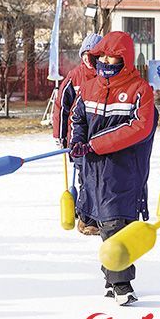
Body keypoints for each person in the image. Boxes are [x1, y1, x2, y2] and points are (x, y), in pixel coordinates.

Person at [69, 31, 157, 306]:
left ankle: (121, 284)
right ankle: (112, 277)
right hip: (92, 170)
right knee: (105, 223)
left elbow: (139, 128)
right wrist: (77, 141)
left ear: (125, 59)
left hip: (122, 170)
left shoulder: (140, 90)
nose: (106, 61)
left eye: (113, 57)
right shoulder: (89, 87)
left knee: (116, 224)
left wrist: (96, 144)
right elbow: (78, 118)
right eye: (102, 56)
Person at [52, 33, 102, 236]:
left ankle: (100, 214)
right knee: (85, 177)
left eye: (95, 56)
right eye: (86, 55)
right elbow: (61, 107)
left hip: (100, 137)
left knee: (100, 177)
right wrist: (60, 136)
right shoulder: (75, 77)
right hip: (78, 138)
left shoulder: (107, 76)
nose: (90, 60)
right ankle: (87, 218)